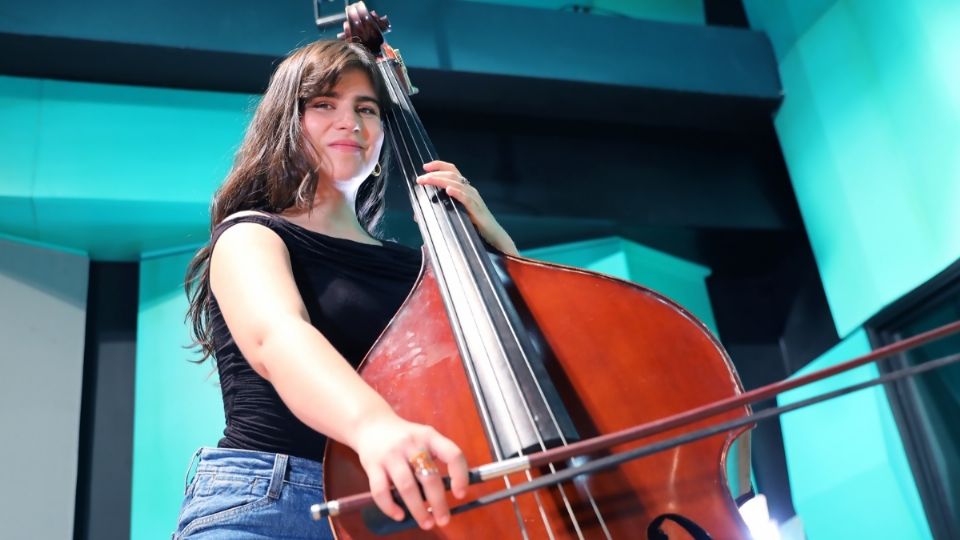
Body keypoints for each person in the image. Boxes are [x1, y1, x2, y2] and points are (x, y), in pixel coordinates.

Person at [175, 39, 519, 539]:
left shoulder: (416, 267)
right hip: (271, 503)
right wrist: (374, 426)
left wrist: (495, 241)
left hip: (393, 509)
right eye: (323, 105)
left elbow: (511, 348)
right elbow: (279, 337)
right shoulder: (253, 234)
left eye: (367, 108)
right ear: (285, 123)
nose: (350, 122)